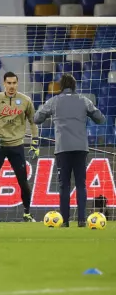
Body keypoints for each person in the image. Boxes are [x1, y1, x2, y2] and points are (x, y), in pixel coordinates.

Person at [33, 73, 106, 227]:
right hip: (81, 147)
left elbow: (37, 118)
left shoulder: (53, 101)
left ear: (60, 86)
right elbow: (100, 118)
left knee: (64, 185)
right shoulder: (84, 100)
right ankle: (81, 220)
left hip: (63, 148)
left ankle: (65, 221)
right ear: (74, 86)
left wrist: (47, 112)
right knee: (81, 184)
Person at [0, 71, 38, 223]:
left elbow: (33, 122)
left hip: (17, 146)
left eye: (14, 83)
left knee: (23, 182)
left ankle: (27, 213)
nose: (12, 86)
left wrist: (35, 142)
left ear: (17, 84)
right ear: (4, 83)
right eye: (9, 83)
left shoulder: (25, 101)